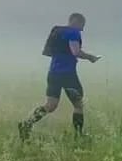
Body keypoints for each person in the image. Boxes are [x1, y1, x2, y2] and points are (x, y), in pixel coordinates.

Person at [18, 12, 100, 141]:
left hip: (53, 73)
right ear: (75, 22)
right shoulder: (73, 32)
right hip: (68, 74)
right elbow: (76, 51)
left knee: (50, 105)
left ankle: (26, 124)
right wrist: (91, 58)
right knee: (79, 105)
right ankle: (79, 136)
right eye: (82, 25)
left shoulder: (58, 32)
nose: (82, 29)